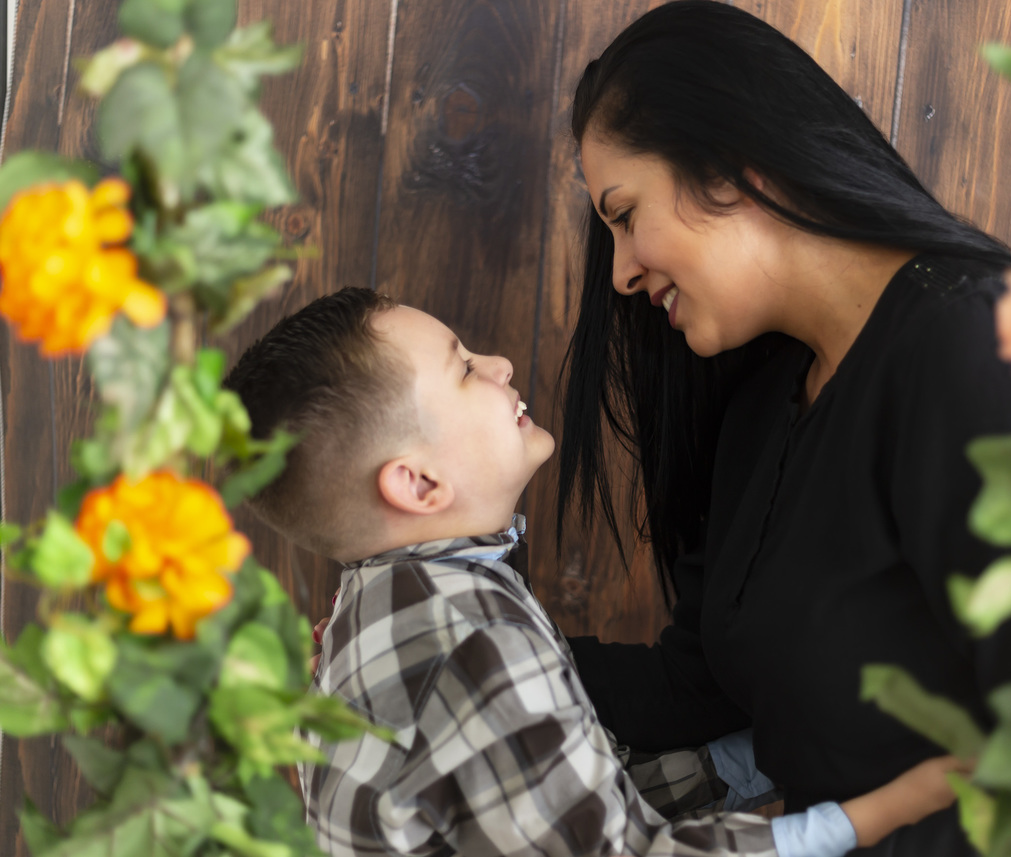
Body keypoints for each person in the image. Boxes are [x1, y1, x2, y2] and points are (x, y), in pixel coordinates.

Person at [556, 3, 1011, 855]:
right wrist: (460, 640)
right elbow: (696, 686)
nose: (621, 271)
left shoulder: (980, 346)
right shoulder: (760, 407)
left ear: (732, 169)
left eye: (625, 215)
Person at [223, 287, 965, 857]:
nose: (500, 364)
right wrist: (876, 811)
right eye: (464, 366)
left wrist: (753, 758)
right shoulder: (471, 643)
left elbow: (573, 800)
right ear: (418, 486)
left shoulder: (382, 602)